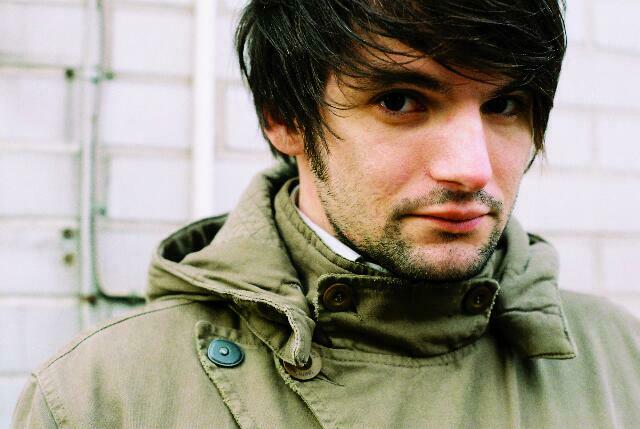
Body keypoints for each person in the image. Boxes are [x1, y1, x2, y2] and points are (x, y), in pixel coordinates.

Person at [13, 0, 640, 427]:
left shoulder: (617, 357)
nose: (471, 169)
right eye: (401, 101)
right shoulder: (104, 395)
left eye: (503, 105)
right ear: (284, 118)